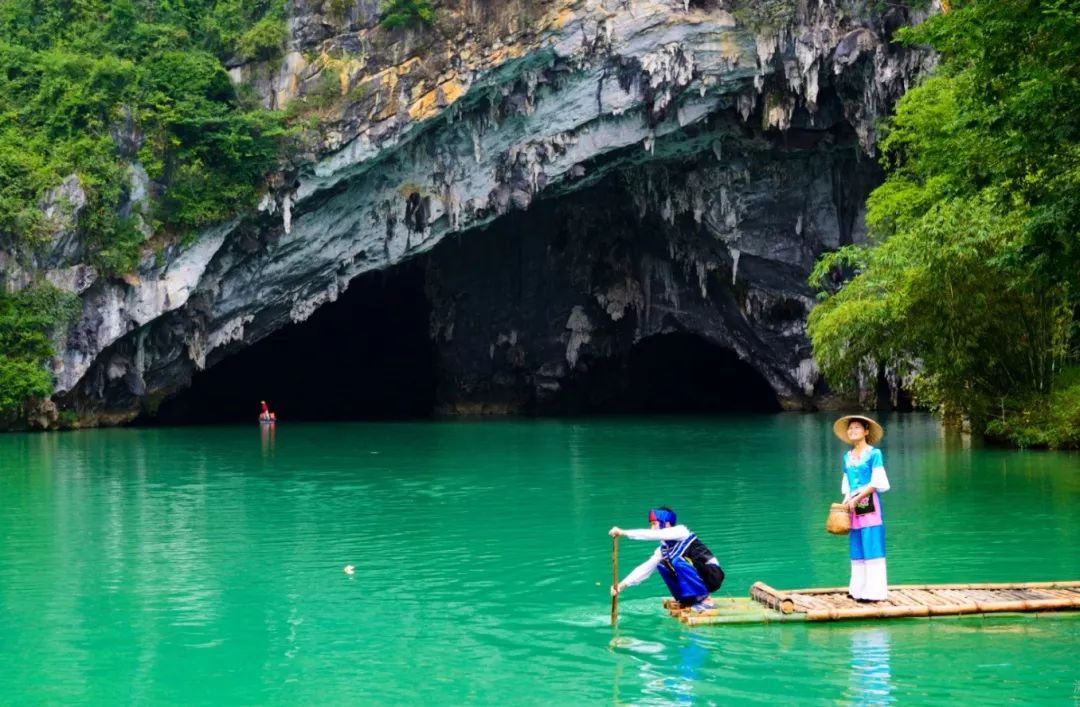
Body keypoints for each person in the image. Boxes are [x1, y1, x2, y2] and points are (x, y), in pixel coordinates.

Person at [608, 507, 724, 611]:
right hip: (700, 575)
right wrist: (621, 585)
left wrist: (623, 532)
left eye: (654, 524)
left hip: (712, 575)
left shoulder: (681, 531)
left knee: (677, 562)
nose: (652, 528)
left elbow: (651, 535)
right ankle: (687, 599)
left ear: (667, 524)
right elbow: (645, 568)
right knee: (662, 565)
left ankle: (705, 600)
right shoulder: (663, 549)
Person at [834, 414, 890, 602]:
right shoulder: (846, 457)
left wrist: (858, 498)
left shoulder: (874, 454)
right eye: (850, 428)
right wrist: (846, 499)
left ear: (866, 432)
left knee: (871, 543)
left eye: (857, 427)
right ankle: (857, 589)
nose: (852, 431)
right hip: (852, 504)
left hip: (869, 503)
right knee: (856, 545)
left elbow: (877, 482)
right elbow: (847, 483)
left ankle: (875, 592)